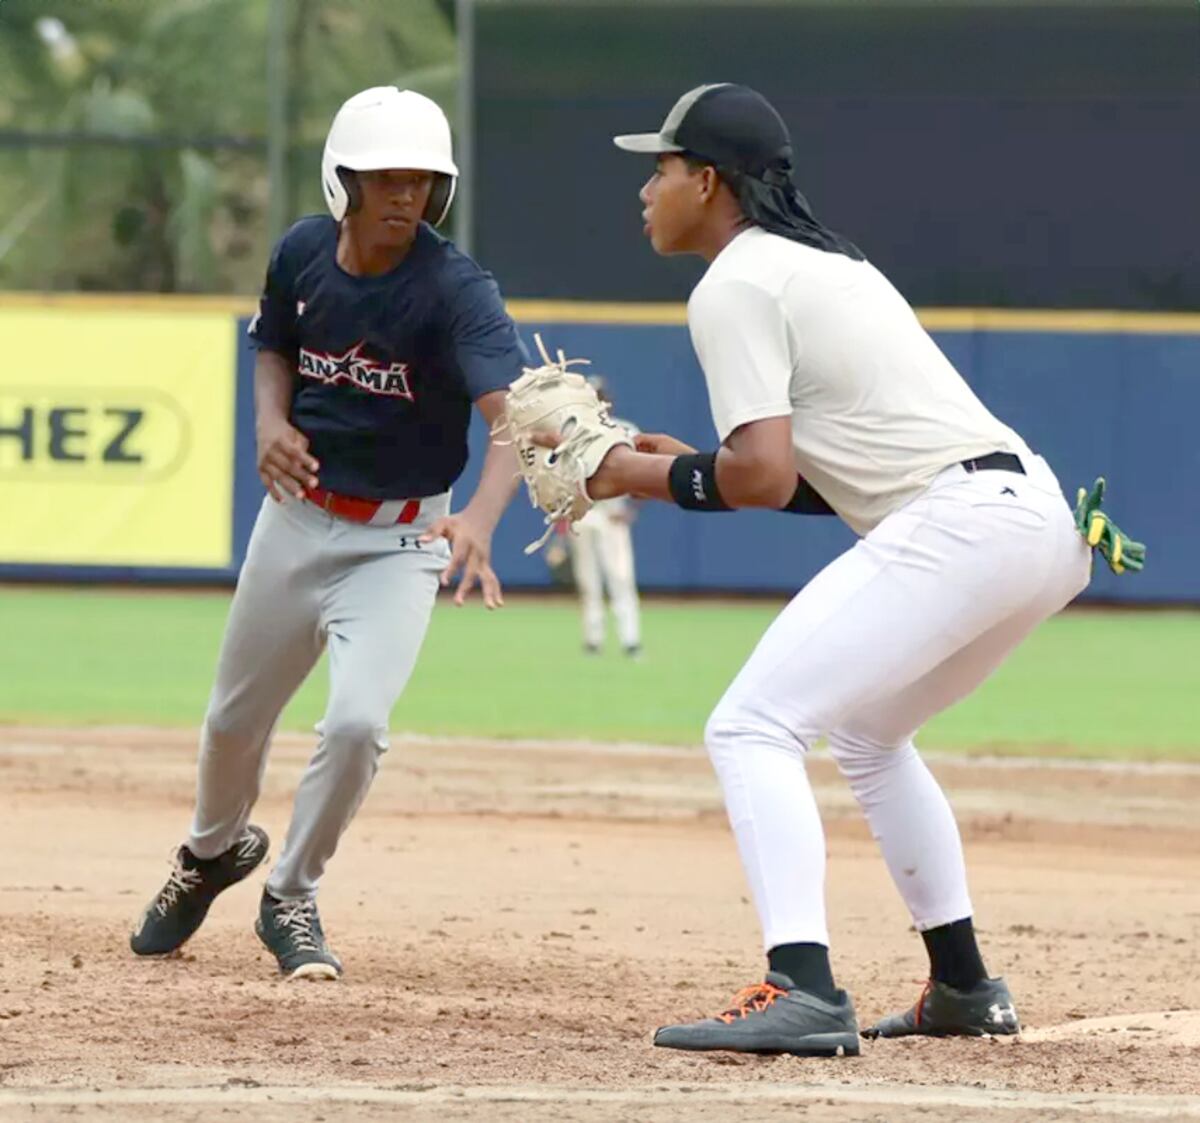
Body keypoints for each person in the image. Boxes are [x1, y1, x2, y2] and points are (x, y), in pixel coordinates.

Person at [579, 82, 1102, 1054]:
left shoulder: (734, 282)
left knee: (751, 724)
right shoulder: (824, 263)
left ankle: (804, 987)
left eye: (658, 168)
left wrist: (632, 474)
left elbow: (762, 478)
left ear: (707, 179)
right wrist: (669, 462)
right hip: (1034, 520)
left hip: (962, 521)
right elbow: (810, 481)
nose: (645, 189)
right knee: (866, 734)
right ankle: (963, 984)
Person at [130, 86, 526, 980]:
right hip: (294, 522)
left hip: (399, 539)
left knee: (356, 724)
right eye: (384, 179)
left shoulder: (456, 289)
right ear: (340, 180)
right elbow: (270, 343)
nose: (405, 197)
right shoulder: (304, 251)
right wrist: (268, 423)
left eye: (422, 181)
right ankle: (207, 855)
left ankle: (291, 893)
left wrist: (482, 519)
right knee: (235, 719)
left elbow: (512, 418)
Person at [565, 378, 643, 658]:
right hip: (584, 513)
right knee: (588, 581)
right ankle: (593, 639)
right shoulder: (573, 433)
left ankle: (630, 639)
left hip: (613, 514)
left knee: (621, 577)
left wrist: (632, 510)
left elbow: (646, 473)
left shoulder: (625, 430)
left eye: (599, 396)